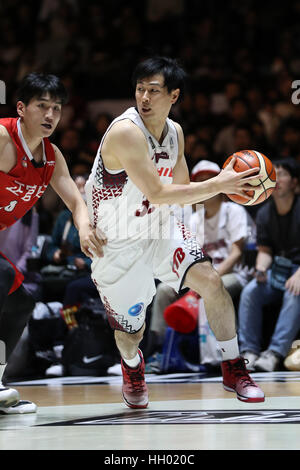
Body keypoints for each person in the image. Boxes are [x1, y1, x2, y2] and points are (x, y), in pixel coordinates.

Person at [85, 56, 265, 408]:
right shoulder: (125, 131)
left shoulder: (175, 132)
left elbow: (180, 186)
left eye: (154, 91)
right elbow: (159, 191)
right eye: (140, 90)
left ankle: (233, 367)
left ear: (174, 95)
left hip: (161, 226)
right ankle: (133, 366)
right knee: (130, 334)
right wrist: (219, 184)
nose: (145, 98)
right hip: (117, 242)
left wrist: (227, 187)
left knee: (211, 281)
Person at [0, 73, 105, 414]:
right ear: (21, 108)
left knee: (21, 303)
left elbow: (76, 203)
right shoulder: (3, 138)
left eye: (56, 108)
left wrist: (86, 230)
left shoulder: (50, 156)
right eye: (41, 106)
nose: (49, 115)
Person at [148, 159, 254, 356]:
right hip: (203, 273)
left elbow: (237, 254)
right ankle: (158, 350)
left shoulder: (234, 211)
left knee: (210, 290)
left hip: (234, 274)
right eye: (201, 181)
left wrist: (208, 279)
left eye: (210, 179)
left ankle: (224, 356)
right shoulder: (195, 218)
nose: (206, 185)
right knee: (163, 290)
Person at [238, 158, 300, 371]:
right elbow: (264, 251)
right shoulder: (264, 213)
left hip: (298, 271)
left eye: (282, 174)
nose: (277, 179)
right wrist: (261, 268)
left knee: (295, 291)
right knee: (250, 291)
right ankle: (249, 351)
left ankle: (274, 353)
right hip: (277, 270)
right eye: (274, 175)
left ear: (294, 182)